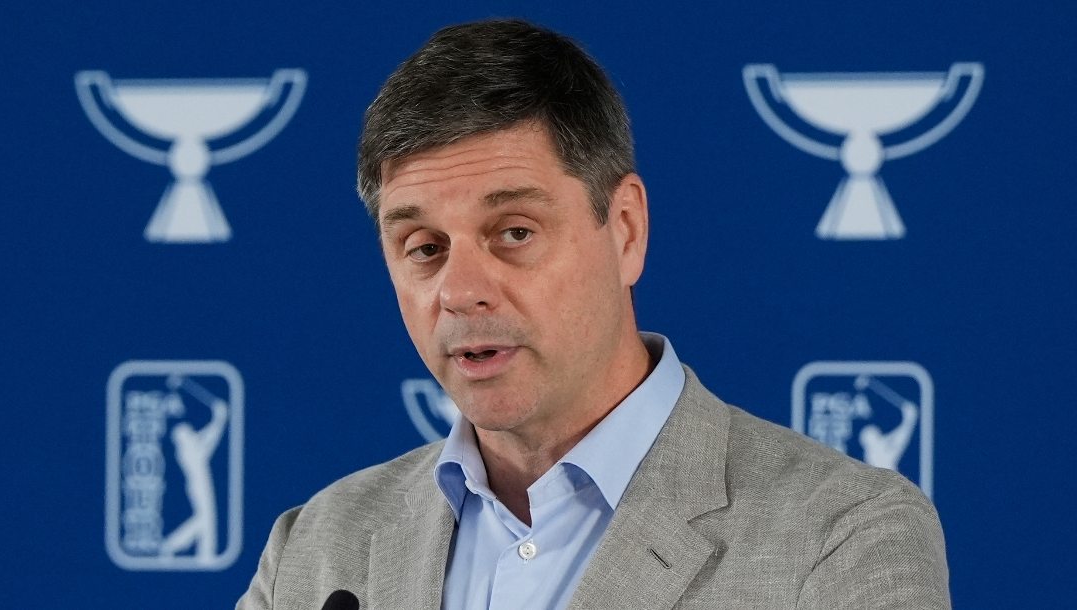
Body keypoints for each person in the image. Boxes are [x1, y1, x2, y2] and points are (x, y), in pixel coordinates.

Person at [238, 19, 949, 609]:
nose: (460, 290)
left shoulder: (840, 533)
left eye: (513, 232)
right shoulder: (317, 546)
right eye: (424, 247)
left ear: (627, 229)